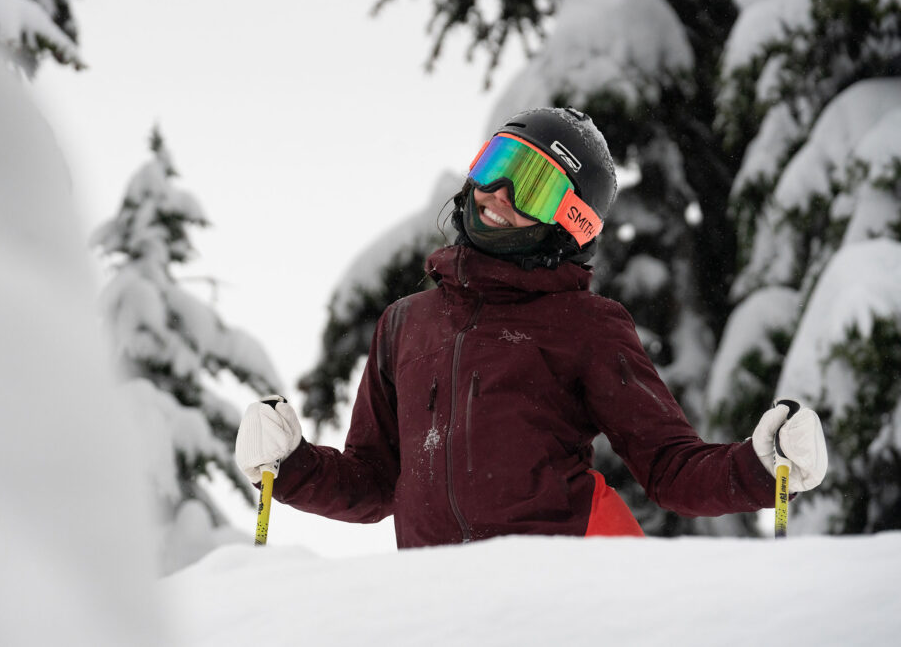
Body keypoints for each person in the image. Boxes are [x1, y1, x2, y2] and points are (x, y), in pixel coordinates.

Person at [235, 107, 828, 547]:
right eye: (496, 165)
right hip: (437, 602)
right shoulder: (404, 324)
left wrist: (760, 466)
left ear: (570, 222)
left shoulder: (588, 327)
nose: (498, 193)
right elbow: (374, 483)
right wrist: (291, 464)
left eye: (534, 186)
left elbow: (670, 469)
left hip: (564, 593)